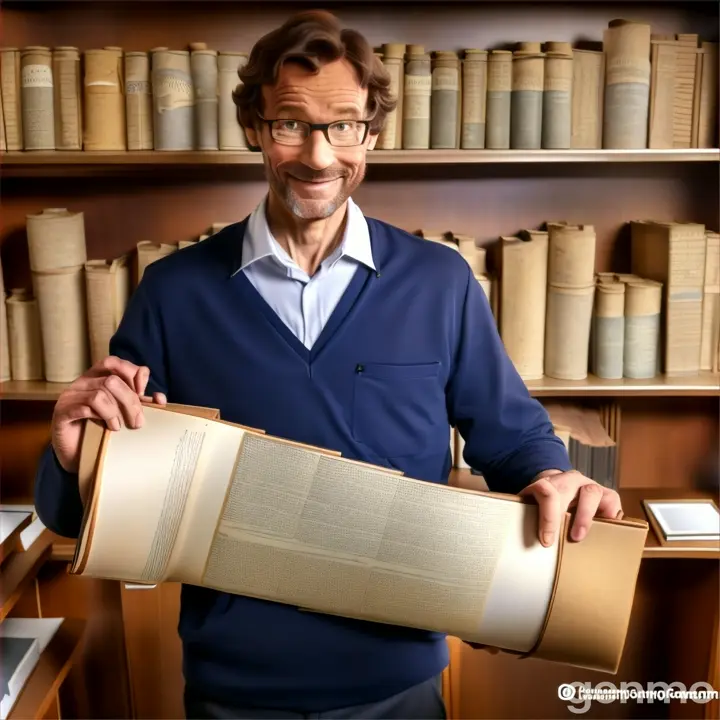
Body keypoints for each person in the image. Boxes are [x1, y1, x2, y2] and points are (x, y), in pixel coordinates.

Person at [34, 10, 623, 720]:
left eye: (343, 125)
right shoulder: (174, 291)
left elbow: (511, 439)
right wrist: (72, 459)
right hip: (233, 697)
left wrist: (554, 476)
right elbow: (76, 512)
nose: (319, 157)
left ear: (372, 132)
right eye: (292, 124)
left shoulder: (440, 282)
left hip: (400, 690)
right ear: (255, 125)